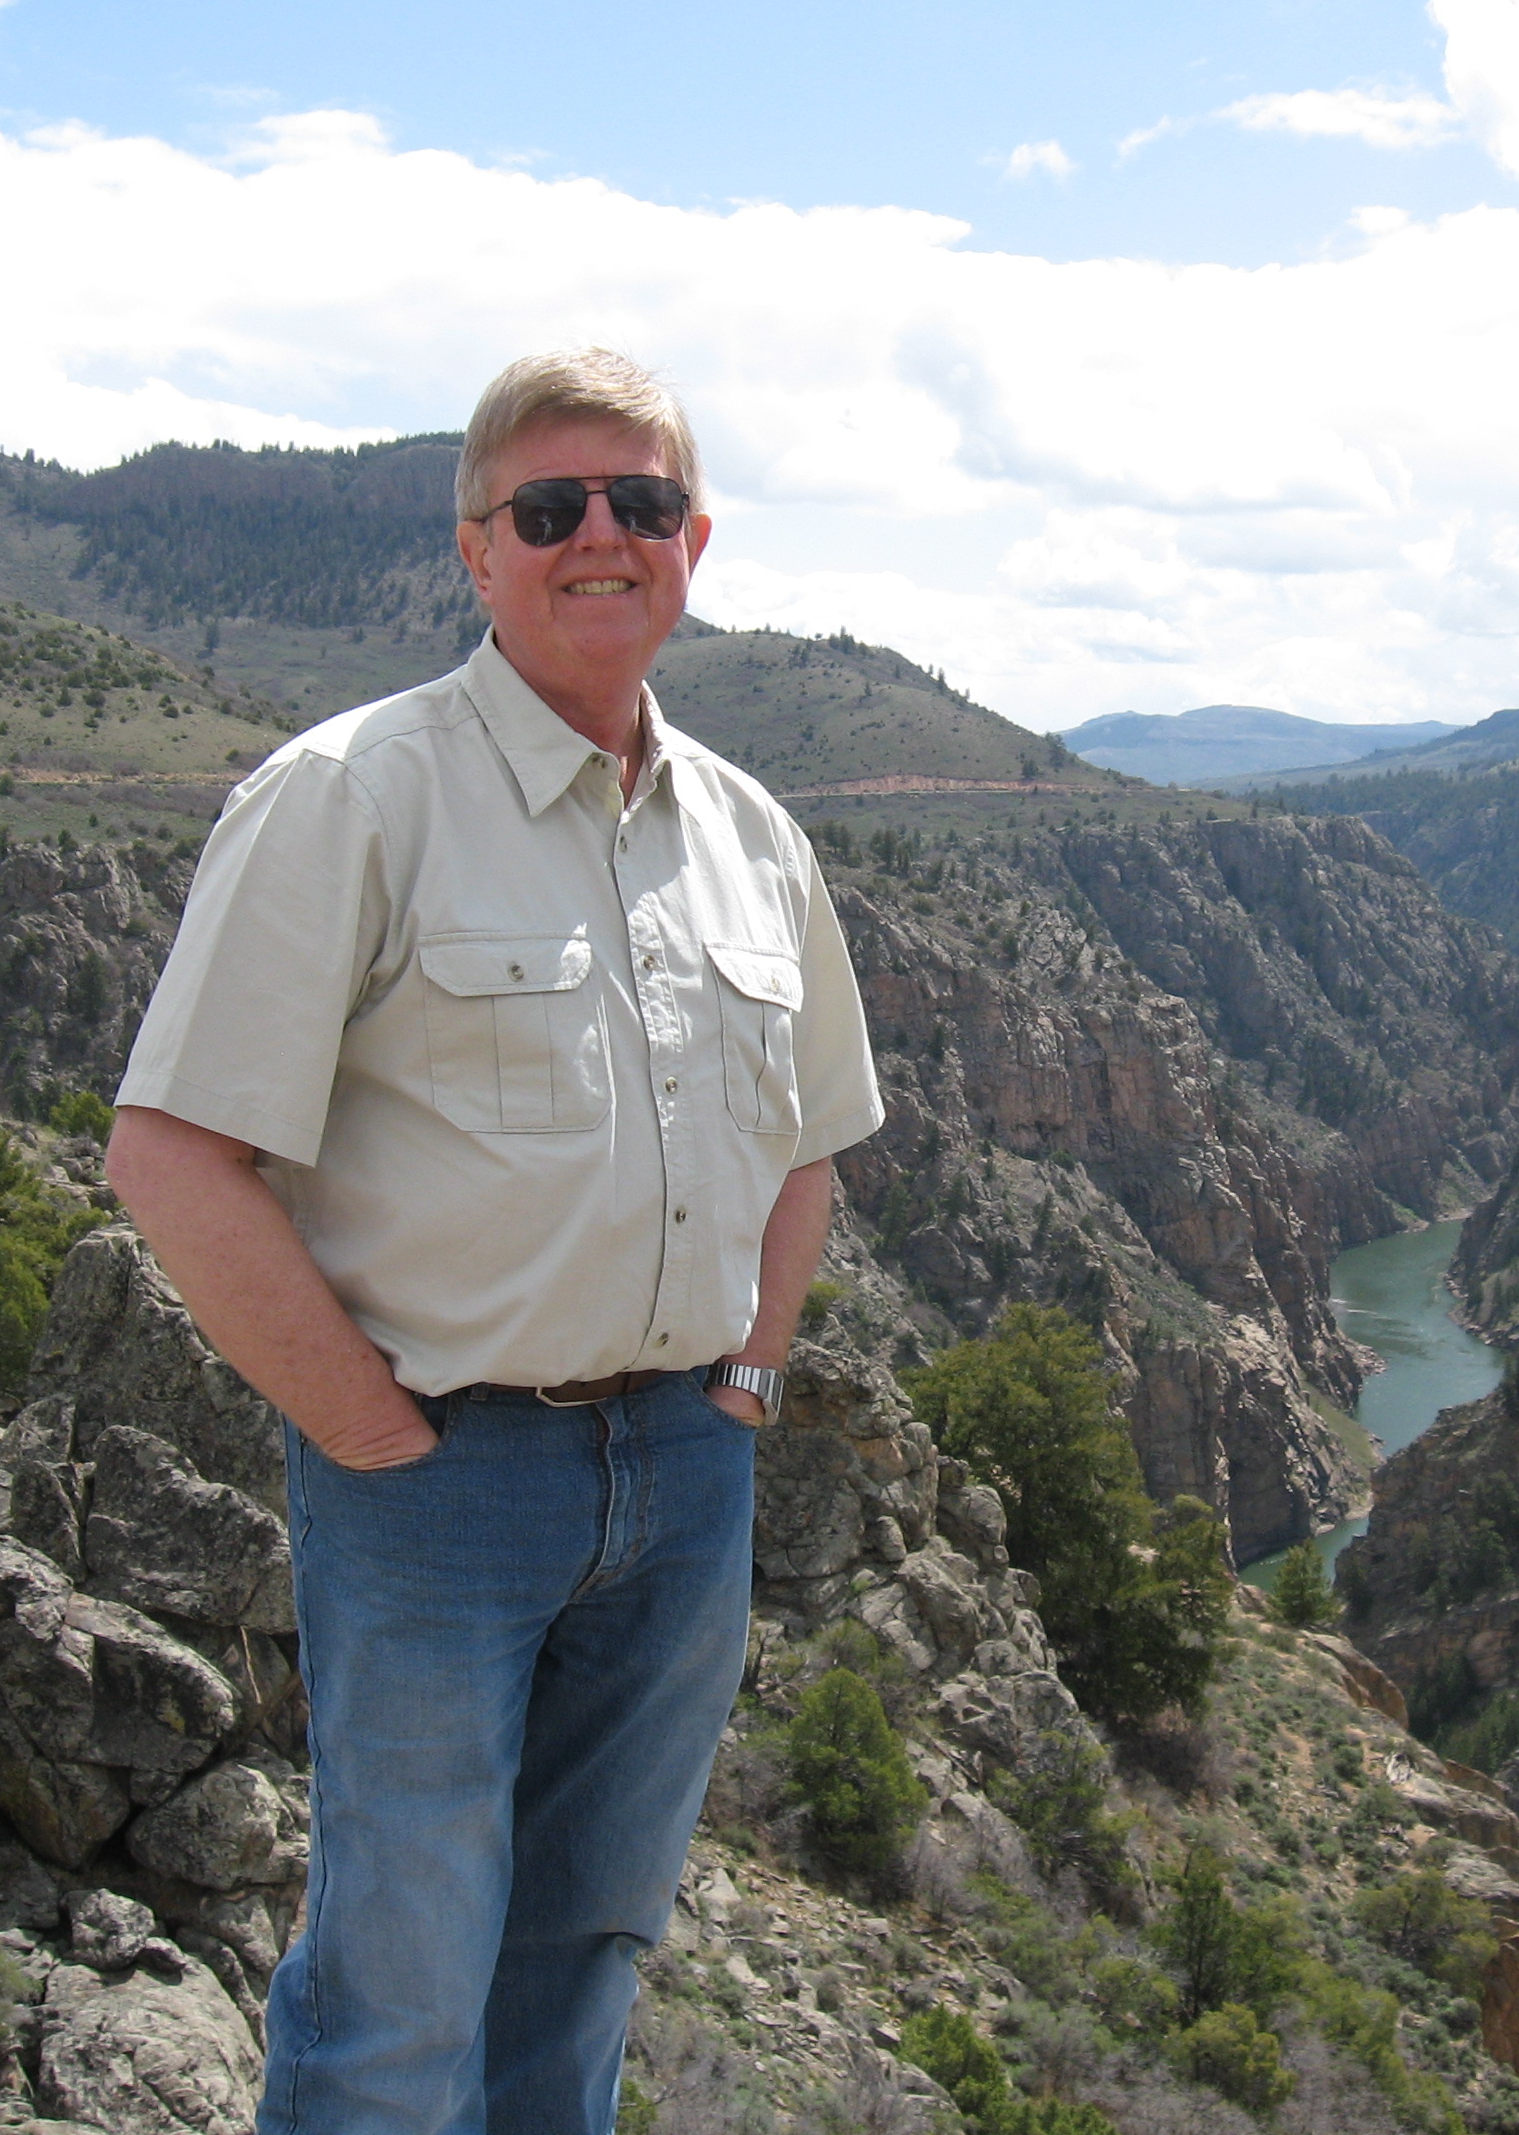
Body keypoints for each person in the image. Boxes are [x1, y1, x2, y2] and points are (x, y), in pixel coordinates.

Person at [106, 347, 883, 2135]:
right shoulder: (352, 796)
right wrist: (374, 1434)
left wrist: (752, 1379)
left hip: (691, 1473)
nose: (595, 535)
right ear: (477, 550)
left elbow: (812, 1149)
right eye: (549, 507)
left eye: (636, 503)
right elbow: (171, 1157)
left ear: (696, 542)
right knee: (399, 1993)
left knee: (584, 1963)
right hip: (445, 1488)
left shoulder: (755, 838)